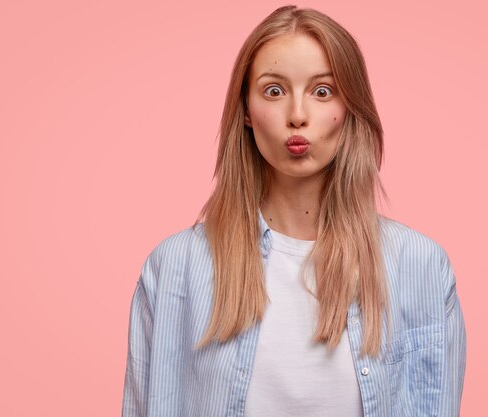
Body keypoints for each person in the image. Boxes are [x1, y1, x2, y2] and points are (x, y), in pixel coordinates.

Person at [122, 5, 466, 417]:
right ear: (247, 111)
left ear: (350, 107)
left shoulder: (421, 267)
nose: (298, 116)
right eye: (274, 91)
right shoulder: (175, 268)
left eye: (322, 92)